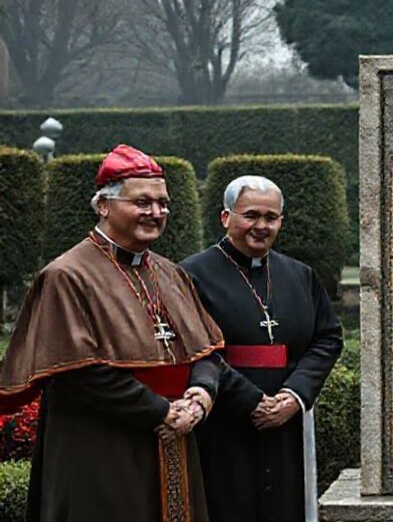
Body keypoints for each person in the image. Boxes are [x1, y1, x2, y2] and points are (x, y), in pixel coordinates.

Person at [0, 145, 224, 522]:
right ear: (104, 206)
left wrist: (200, 398)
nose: (156, 213)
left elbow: (206, 351)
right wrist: (162, 411)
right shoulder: (68, 275)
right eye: (142, 203)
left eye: (163, 204)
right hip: (101, 446)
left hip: (176, 438)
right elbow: (77, 371)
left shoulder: (171, 273)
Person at [180, 175, 342, 522]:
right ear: (226, 218)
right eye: (250, 215)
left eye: (271, 218)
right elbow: (197, 349)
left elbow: (328, 337)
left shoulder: (300, 275)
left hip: (287, 422)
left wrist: (294, 396)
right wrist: (251, 401)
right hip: (224, 421)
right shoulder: (191, 275)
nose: (261, 226)